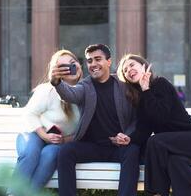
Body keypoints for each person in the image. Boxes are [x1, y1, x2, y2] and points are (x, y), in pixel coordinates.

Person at [50, 44, 139, 196]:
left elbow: (135, 119)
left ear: (109, 62)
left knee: (133, 151)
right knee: (66, 152)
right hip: (91, 147)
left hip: (118, 147)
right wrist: (56, 82)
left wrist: (127, 136)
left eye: (98, 59)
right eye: (90, 61)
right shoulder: (85, 86)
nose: (93, 64)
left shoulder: (124, 87)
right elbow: (70, 95)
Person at [117, 54, 191, 196]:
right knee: (176, 164)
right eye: (124, 70)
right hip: (171, 147)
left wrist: (146, 89)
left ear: (143, 66)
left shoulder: (161, 84)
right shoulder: (141, 99)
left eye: (131, 65)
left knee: (154, 141)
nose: (128, 70)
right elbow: (143, 129)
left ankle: (155, 193)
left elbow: (161, 117)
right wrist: (130, 139)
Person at [8, 50, 82, 195]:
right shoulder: (47, 90)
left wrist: (65, 140)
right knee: (31, 153)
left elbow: (86, 128)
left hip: (60, 142)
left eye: (73, 64)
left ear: (79, 64)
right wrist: (44, 135)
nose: (70, 68)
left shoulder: (87, 92)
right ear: (56, 72)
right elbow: (29, 114)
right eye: (63, 67)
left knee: (50, 155)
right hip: (34, 133)